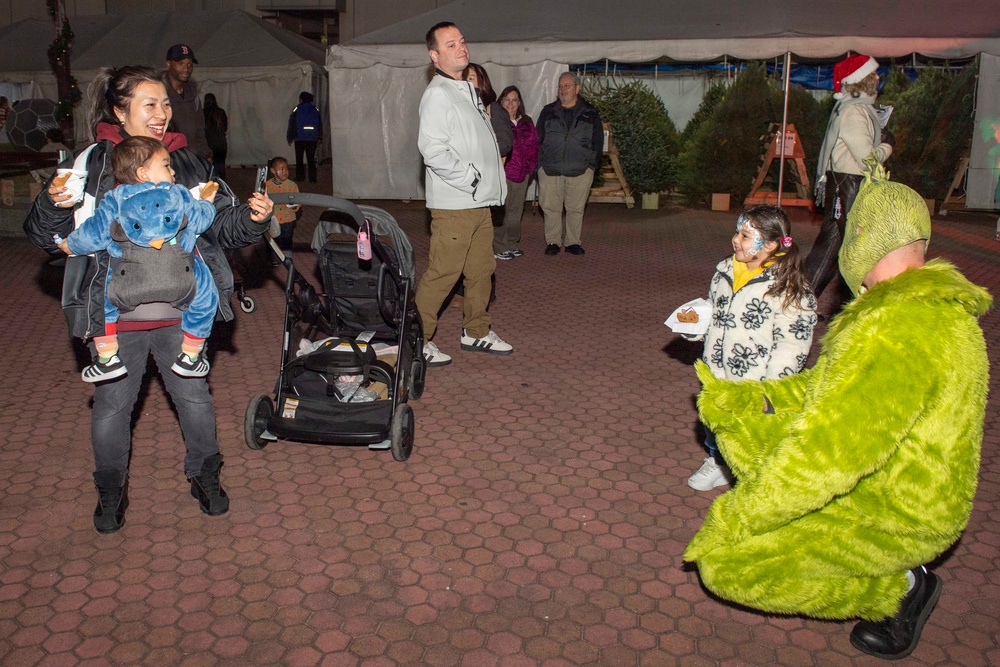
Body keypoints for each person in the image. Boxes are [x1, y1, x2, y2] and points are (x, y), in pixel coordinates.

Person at [684, 160, 990, 660]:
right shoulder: (919, 308)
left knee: (726, 565)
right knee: (738, 414)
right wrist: (750, 397)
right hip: (887, 480)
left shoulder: (894, 330)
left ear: (863, 244)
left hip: (893, 511)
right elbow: (824, 391)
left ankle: (901, 588)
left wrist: (743, 513)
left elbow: (830, 456)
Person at [24, 65, 274, 533]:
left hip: (182, 306)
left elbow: (221, 226)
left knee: (194, 397)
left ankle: (206, 476)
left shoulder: (190, 163)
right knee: (113, 404)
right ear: (120, 111)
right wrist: (50, 206)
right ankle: (111, 491)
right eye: (150, 104)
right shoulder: (90, 163)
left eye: (165, 103)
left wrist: (254, 219)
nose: (163, 113)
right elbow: (45, 238)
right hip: (113, 312)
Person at [57, 136, 219, 382]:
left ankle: (107, 356)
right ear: (143, 172)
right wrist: (207, 203)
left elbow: (96, 232)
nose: (173, 170)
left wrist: (71, 244)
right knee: (207, 291)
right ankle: (191, 354)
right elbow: (200, 221)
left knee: (100, 292)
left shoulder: (115, 199)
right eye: (166, 164)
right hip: (182, 280)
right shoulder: (178, 194)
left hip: (127, 282)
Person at [683, 205, 816, 491]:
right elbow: (715, 312)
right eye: (737, 232)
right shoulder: (725, 272)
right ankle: (717, 461)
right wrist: (695, 325)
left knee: (752, 436)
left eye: (746, 235)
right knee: (714, 426)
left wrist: (771, 389)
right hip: (716, 373)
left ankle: (753, 476)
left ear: (769, 245)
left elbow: (793, 342)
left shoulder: (788, 286)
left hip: (754, 383)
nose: (736, 239)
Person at [415, 21, 512, 368]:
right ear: (435, 55)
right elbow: (434, 151)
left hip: (478, 204)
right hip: (456, 204)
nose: (461, 48)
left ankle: (476, 331)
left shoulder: (466, 92)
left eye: (462, 42)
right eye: (451, 44)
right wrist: (472, 179)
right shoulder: (438, 95)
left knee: (482, 269)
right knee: (443, 273)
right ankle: (415, 339)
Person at [806, 54, 893, 313]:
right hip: (850, 183)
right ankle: (861, 308)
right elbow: (867, 158)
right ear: (862, 80)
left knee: (830, 248)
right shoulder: (855, 112)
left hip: (842, 182)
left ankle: (799, 305)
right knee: (858, 248)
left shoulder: (852, 107)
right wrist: (887, 145)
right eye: (873, 74)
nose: (877, 78)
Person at [536, 72, 602, 256]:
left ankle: (573, 242)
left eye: (567, 86)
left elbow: (597, 141)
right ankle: (553, 242)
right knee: (551, 208)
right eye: (560, 86)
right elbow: (537, 138)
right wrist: (540, 165)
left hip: (580, 170)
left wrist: (591, 166)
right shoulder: (548, 111)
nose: (563, 89)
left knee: (575, 209)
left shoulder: (590, 112)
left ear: (577, 88)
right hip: (550, 169)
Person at [494, 85, 539, 260]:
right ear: (501, 101)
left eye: (514, 100)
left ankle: (512, 243)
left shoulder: (527, 122)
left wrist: (530, 168)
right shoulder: (495, 121)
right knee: (500, 211)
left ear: (519, 103)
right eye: (507, 99)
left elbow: (535, 145)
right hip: (503, 173)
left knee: (515, 212)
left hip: (522, 175)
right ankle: (499, 246)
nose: (510, 104)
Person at [163, 44, 212, 161]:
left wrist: (206, 154)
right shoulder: (160, 93)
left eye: (190, 64)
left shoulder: (192, 94)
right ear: (168, 64)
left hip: (193, 158)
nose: (186, 69)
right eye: (181, 64)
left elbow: (200, 128)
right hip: (169, 158)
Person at [463, 63, 512, 161]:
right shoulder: (461, 107)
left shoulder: (493, 108)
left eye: (471, 78)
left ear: (482, 82)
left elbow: (504, 145)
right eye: (463, 79)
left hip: (486, 167)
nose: (466, 83)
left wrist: (476, 150)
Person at [265, 156, 301, 260]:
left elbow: (298, 200)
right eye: (281, 169)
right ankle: (272, 258)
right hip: (273, 219)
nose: (285, 172)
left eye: (286, 169)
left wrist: (295, 206)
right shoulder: (267, 185)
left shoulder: (292, 185)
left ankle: (287, 257)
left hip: (288, 218)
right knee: (272, 239)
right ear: (273, 171)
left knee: (287, 238)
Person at [286, 91, 322, 184]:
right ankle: (313, 178)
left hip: (300, 138)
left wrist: (290, 136)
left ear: (301, 99)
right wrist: (320, 136)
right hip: (312, 138)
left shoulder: (297, 109)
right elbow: (319, 124)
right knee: (311, 159)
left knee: (299, 159)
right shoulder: (315, 109)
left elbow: (292, 123)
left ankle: (300, 177)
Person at [203, 93, 228, 180]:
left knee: (207, 166)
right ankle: (221, 183)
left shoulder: (202, 112)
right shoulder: (221, 112)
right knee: (220, 165)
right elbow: (225, 127)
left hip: (208, 142)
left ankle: (211, 182)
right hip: (221, 142)